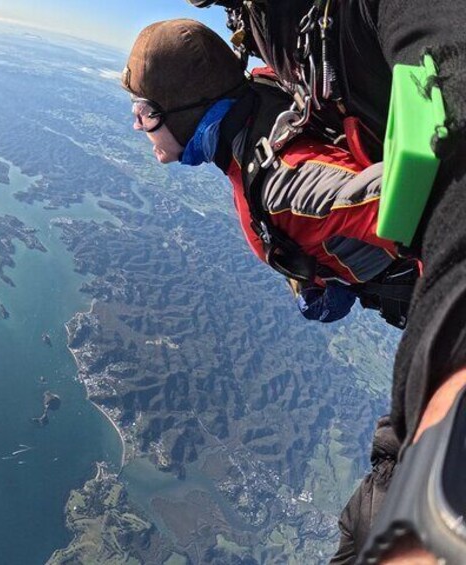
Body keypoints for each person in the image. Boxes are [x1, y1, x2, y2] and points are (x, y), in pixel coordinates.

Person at [185, 2, 466, 562]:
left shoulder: (284, 183)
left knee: (367, 525)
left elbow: (393, 200)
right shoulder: (268, 105)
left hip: (437, 343)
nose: (245, 30)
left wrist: (436, 501)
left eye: (146, 114)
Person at [122, 19, 416, 330]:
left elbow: (422, 203)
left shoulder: (285, 186)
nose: (138, 126)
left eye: (144, 113)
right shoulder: (258, 101)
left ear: (185, 112)